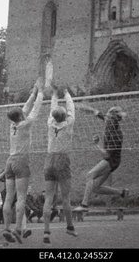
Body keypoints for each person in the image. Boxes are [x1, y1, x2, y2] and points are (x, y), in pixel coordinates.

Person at [2, 76, 44, 244]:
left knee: (8, 198)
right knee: (21, 198)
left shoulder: (12, 125)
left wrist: (32, 93)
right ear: (20, 115)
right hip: (21, 161)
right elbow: (35, 109)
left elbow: (25, 108)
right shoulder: (25, 124)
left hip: (9, 161)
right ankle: (18, 228)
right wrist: (40, 92)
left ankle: (6, 228)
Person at [74, 105, 129, 212]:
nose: (106, 119)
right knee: (95, 188)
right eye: (106, 117)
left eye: (108, 118)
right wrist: (82, 107)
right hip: (111, 160)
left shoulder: (116, 135)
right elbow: (95, 111)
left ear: (113, 120)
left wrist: (97, 144)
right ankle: (122, 193)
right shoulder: (109, 121)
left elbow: (106, 155)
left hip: (112, 161)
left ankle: (84, 205)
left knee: (90, 175)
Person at [42, 84, 78, 244]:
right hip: (62, 160)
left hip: (49, 160)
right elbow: (71, 107)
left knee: (48, 197)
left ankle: (46, 232)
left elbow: (52, 108)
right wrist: (66, 93)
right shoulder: (68, 123)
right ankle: (70, 227)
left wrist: (55, 94)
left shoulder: (50, 123)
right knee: (65, 197)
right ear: (65, 116)